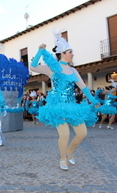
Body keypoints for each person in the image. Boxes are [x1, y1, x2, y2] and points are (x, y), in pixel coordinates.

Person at [30, 30, 99, 170]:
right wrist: (39, 51)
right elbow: (33, 66)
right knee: (65, 134)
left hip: (72, 106)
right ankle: (62, 159)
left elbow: (84, 87)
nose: (72, 54)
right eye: (70, 52)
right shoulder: (52, 67)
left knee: (82, 133)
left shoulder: (74, 70)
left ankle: (69, 152)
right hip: (57, 106)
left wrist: (93, 100)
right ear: (62, 53)